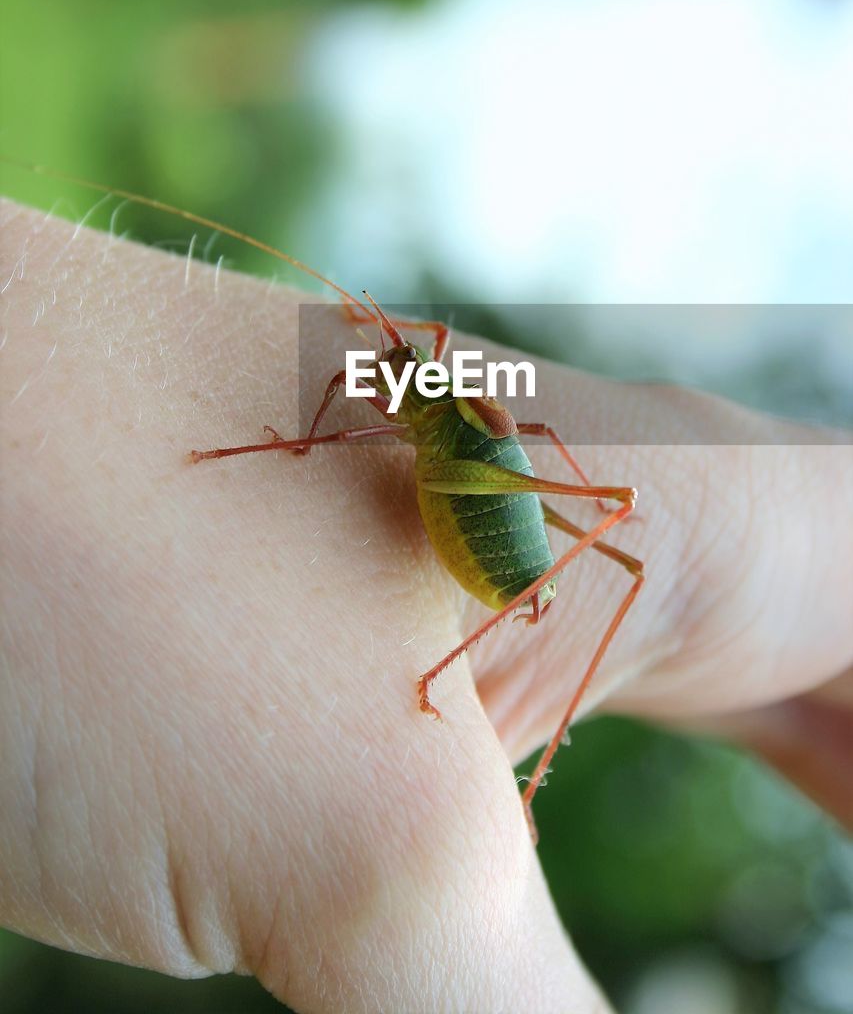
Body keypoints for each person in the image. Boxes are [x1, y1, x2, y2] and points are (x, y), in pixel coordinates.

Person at [1, 197, 850, 1014]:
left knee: (588, 525)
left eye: (402, 368)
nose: (387, 375)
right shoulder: (424, 369)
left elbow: (449, 411)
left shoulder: (436, 396)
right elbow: (423, 376)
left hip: (478, 513)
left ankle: (527, 777)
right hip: (474, 478)